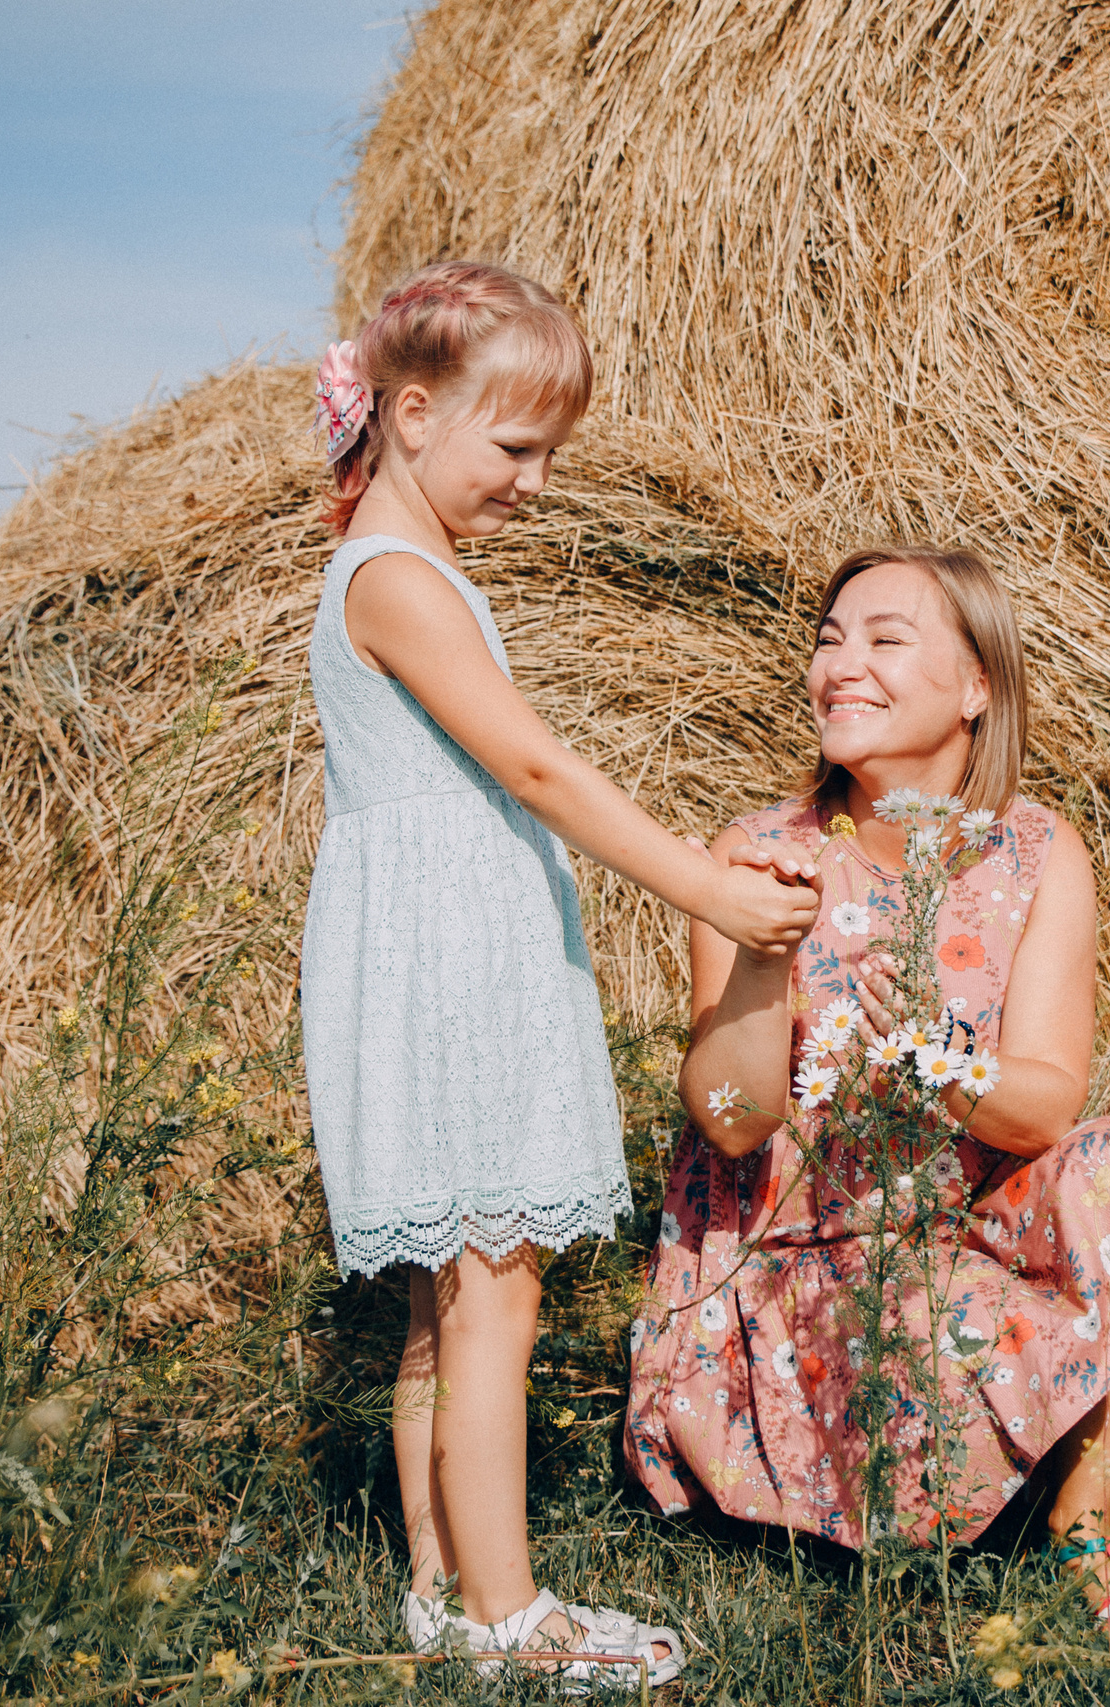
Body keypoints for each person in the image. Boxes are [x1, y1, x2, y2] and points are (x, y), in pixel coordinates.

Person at [300, 260, 819, 1682]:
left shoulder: (396, 568)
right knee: (497, 1291)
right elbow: (536, 767)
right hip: (452, 966)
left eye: (550, 455)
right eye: (516, 447)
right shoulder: (397, 580)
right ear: (413, 415)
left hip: (434, 948)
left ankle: (441, 1587)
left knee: (448, 1295)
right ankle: (511, 1618)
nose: (535, 483)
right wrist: (706, 883)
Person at [625, 546, 1110, 1625]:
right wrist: (762, 957)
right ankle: (974, 1461)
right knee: (906, 1327)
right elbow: (730, 1123)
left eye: (885, 640)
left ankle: (1081, 1527)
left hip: (963, 1237)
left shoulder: (1037, 852)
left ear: (977, 686)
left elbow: (1045, 1107)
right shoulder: (758, 851)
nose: (840, 665)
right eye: (828, 641)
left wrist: (932, 1057)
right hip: (799, 1255)